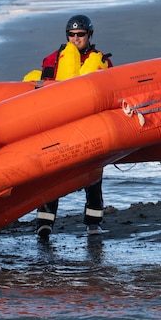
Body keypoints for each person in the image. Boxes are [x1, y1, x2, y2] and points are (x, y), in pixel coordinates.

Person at [31, 14, 113, 238]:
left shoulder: (101, 60)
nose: (76, 38)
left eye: (80, 34)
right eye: (71, 34)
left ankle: (93, 222)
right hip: (59, 124)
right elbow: (43, 90)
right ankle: (44, 223)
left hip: (90, 124)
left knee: (93, 175)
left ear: (89, 35)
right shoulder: (53, 60)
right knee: (51, 174)